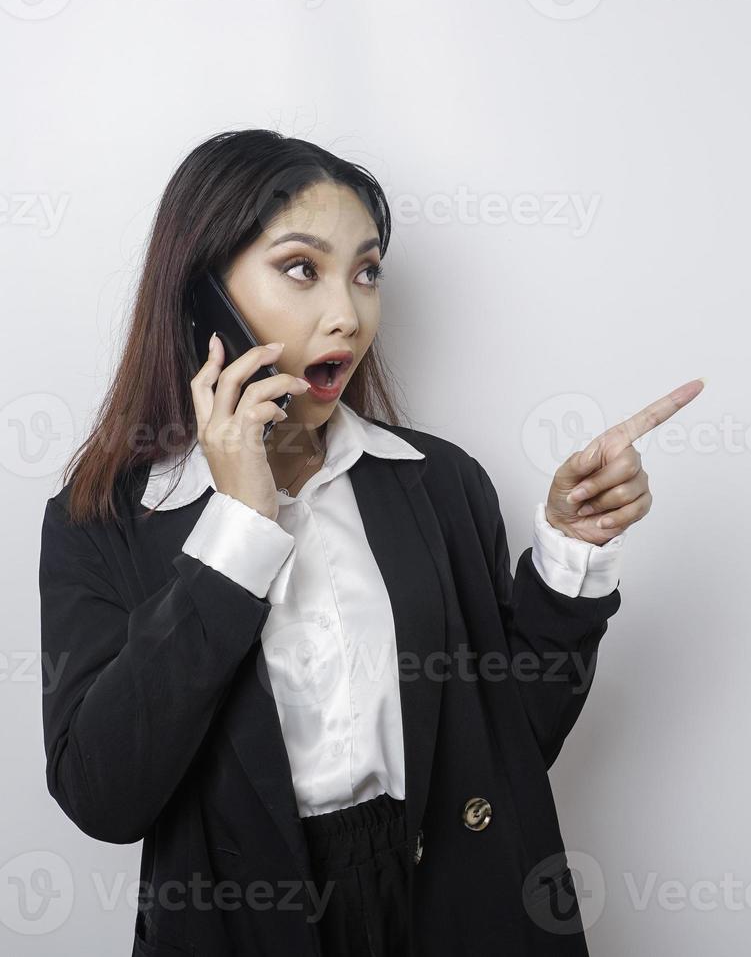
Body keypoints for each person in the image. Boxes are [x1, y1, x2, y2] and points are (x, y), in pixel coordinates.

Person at [38, 128, 703, 956]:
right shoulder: (101, 521)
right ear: (203, 295)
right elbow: (105, 797)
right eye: (300, 269)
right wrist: (241, 525)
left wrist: (572, 551)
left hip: (453, 909)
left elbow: (511, 739)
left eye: (366, 272)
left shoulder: (439, 483)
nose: (347, 315)